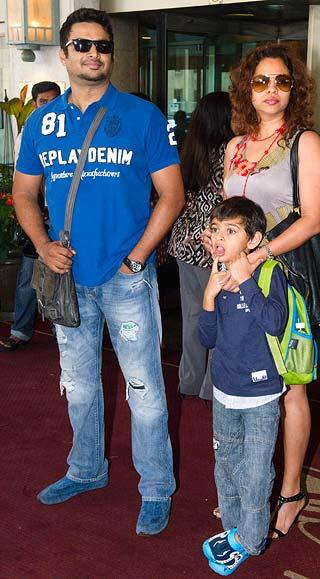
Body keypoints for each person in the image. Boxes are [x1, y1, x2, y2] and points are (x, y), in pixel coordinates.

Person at [12, 7, 184, 536]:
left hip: (127, 279)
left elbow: (172, 196)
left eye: (103, 46)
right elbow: (24, 193)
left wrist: (136, 258)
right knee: (80, 384)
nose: (94, 54)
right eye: (83, 45)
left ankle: (155, 488)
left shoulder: (142, 115)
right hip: (69, 281)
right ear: (64, 55)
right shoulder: (44, 120)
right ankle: (86, 470)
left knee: (144, 388)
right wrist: (41, 246)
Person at [222, 43, 320, 538]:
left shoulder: (305, 142)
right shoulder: (235, 146)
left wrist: (258, 256)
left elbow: (314, 219)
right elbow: (230, 220)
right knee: (243, 383)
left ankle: (290, 489)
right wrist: (223, 262)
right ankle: (246, 488)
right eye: (262, 81)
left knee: (289, 386)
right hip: (238, 279)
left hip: (284, 279)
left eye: (282, 81)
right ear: (247, 86)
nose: (271, 90)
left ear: (294, 88)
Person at [199, 196, 288, 576]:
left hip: (261, 395)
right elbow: (207, 339)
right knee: (226, 464)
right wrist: (209, 295)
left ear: (253, 240)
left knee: (255, 470)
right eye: (216, 229)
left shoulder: (270, 274)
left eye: (231, 231)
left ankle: (251, 540)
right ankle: (234, 529)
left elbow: (274, 322)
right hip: (224, 389)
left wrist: (246, 279)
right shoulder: (217, 273)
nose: (219, 238)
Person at [168, 92, 233, 400]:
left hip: (184, 243)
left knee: (193, 317)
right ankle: (210, 388)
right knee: (217, 318)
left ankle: (189, 381)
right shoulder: (230, 152)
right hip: (213, 246)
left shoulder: (191, 150)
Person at [0, 81, 61, 352]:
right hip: (37, 213)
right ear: (34, 104)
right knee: (28, 272)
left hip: (64, 214)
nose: (47, 107)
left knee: (65, 275)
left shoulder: (70, 128)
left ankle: (65, 331)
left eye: (53, 101)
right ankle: (20, 330)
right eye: (42, 101)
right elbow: (22, 184)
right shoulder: (28, 133)